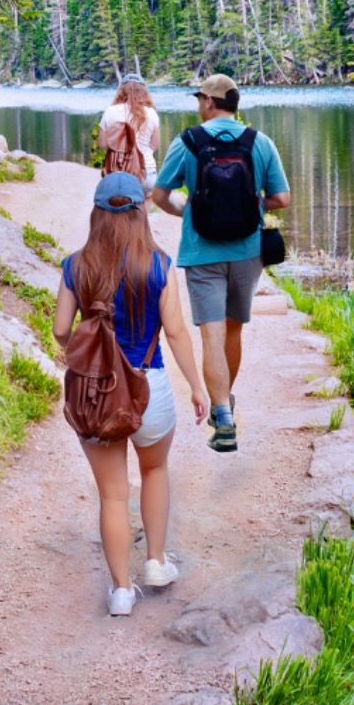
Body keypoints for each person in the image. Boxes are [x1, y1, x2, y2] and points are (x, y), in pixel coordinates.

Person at [53, 172, 209, 616]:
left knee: (113, 494)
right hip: (149, 386)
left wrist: (89, 354)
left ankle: (121, 591)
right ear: (141, 212)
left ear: (97, 215)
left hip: (96, 395)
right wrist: (197, 387)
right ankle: (156, 563)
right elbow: (176, 332)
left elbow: (62, 330)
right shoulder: (158, 265)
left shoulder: (75, 265)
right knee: (155, 471)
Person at [149, 74, 290, 453]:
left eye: (200, 99)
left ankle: (223, 414)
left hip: (203, 253)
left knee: (210, 335)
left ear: (210, 102)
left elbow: (160, 194)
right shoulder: (259, 141)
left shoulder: (189, 142)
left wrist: (189, 210)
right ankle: (225, 399)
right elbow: (281, 197)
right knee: (232, 332)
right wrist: (251, 205)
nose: (199, 104)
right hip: (247, 253)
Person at [98, 75, 161, 186]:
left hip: (119, 170)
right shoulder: (151, 112)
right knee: (145, 202)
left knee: (120, 202)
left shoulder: (110, 111)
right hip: (147, 171)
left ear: (121, 90)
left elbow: (102, 144)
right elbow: (155, 145)